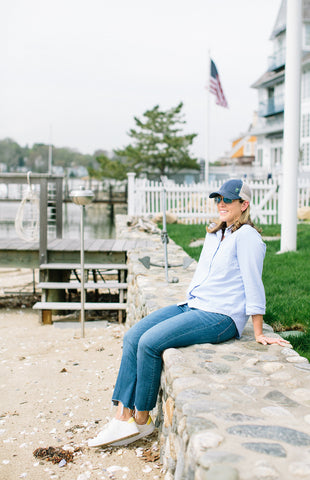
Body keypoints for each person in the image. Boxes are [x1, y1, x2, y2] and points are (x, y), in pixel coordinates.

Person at [88, 178, 290, 448]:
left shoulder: (248, 237)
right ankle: (121, 417)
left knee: (149, 344)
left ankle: (141, 420)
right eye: (218, 198)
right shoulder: (217, 232)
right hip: (195, 305)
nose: (221, 204)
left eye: (228, 200)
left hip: (221, 316)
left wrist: (257, 331)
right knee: (134, 336)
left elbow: (254, 282)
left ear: (244, 204)